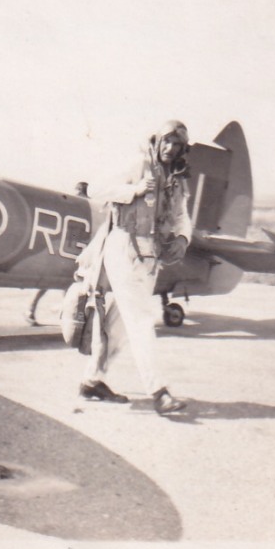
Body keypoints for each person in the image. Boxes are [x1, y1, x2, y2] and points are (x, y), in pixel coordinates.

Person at [76, 120, 193, 415]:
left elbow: (181, 216)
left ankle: (91, 381)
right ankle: (159, 392)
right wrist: (136, 190)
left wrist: (182, 238)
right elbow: (97, 190)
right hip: (124, 248)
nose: (170, 148)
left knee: (119, 326)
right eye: (167, 141)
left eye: (177, 144)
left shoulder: (177, 179)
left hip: (151, 257)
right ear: (157, 141)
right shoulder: (138, 164)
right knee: (140, 321)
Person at [25, 181, 91, 326]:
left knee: (67, 283)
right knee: (51, 282)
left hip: (70, 250)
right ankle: (32, 309)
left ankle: (62, 313)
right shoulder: (71, 206)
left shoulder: (80, 208)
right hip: (62, 248)